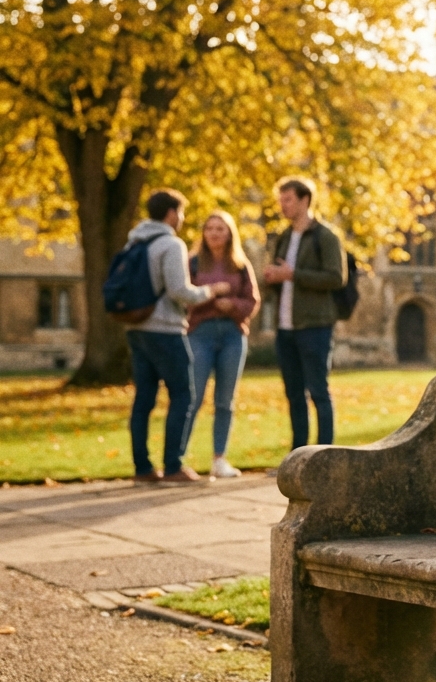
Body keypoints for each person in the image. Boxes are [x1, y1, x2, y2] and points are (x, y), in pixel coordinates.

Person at [124, 190, 232, 483]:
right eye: (181, 212)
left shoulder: (135, 241)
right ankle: (173, 466)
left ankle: (142, 469)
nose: (182, 218)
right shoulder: (171, 244)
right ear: (171, 213)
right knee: (183, 395)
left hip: (136, 327)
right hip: (165, 329)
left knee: (144, 399)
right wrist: (210, 291)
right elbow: (178, 290)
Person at [263, 176, 347, 452]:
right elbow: (283, 276)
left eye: (288, 200)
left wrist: (293, 275)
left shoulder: (326, 236)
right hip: (285, 326)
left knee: (319, 392)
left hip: (315, 325)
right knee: (294, 394)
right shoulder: (284, 237)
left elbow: (336, 277)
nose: (283, 206)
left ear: (305, 200)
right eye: (281, 200)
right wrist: (273, 277)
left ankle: (323, 456)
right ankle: (298, 455)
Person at [187, 211, 261, 479]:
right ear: (203, 233)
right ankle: (178, 459)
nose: (215, 233)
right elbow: (182, 297)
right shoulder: (193, 263)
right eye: (210, 228)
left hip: (232, 334)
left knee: (225, 400)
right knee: (192, 397)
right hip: (200, 333)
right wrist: (210, 295)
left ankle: (219, 459)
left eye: (220, 228)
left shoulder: (240, 265)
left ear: (230, 233)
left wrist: (233, 305)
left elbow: (252, 302)